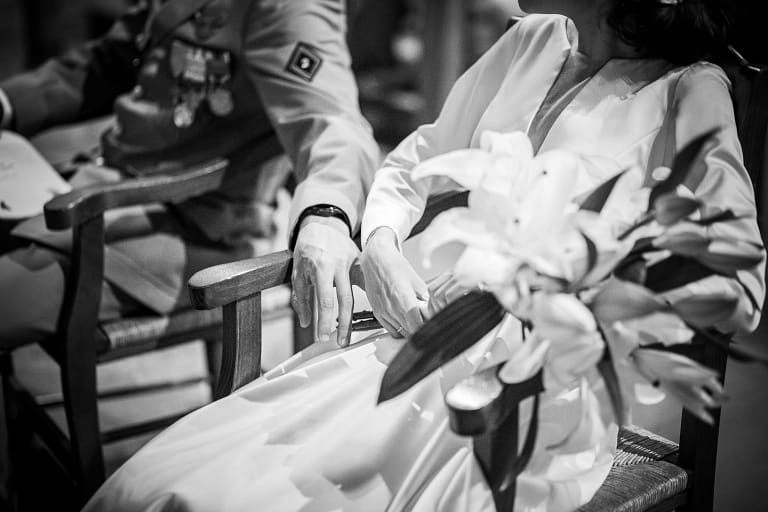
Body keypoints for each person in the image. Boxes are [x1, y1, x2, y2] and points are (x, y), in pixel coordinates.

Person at [83, 0, 765, 510]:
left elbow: (739, 279)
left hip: (531, 400)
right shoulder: (529, 41)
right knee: (168, 483)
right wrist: (379, 246)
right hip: (413, 341)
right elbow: (417, 160)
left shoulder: (692, 89)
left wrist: (582, 291)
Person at [0, 0, 379, 349]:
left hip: (183, 229)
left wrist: (327, 214)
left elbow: (333, 123)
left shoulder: (286, 7)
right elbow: (117, 57)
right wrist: (10, 102)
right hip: (103, 185)